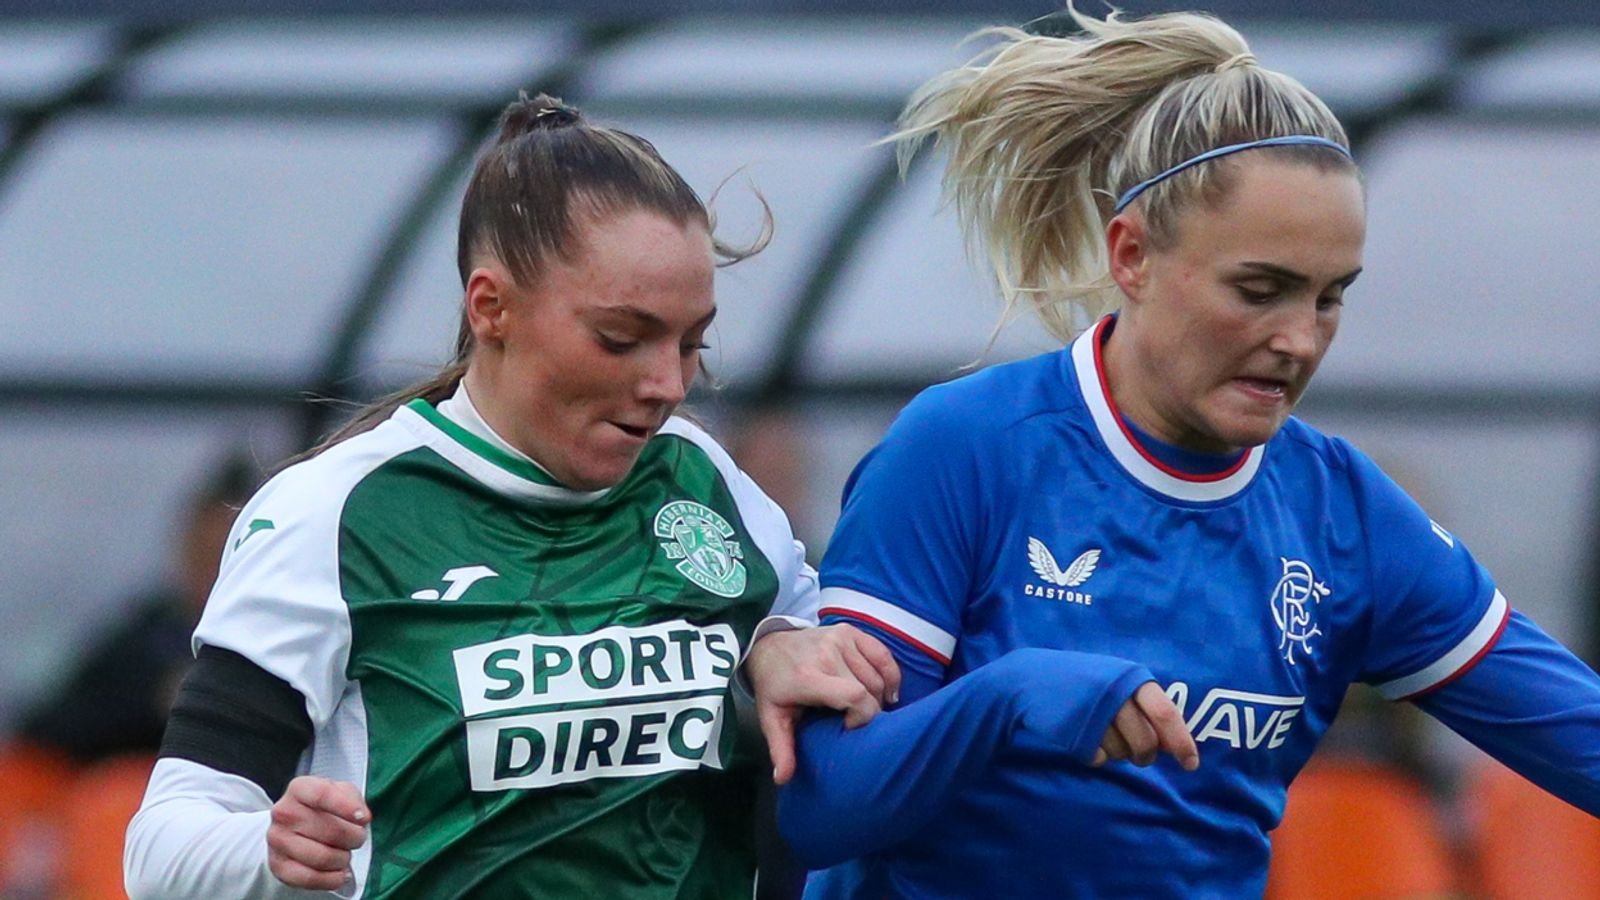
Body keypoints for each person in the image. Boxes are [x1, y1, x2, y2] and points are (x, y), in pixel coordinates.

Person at [776, 7, 1600, 897]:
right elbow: (824, 807)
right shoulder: (966, 448)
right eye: (1260, 289)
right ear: (1131, 255)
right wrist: (1008, 698)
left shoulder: (1346, 515)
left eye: (1330, 298)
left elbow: (1578, 732)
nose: (1298, 340)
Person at [124, 93, 896, 899]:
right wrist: (269, 852)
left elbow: (825, 691)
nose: (668, 383)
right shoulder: (336, 514)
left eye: (692, 342)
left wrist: (776, 647)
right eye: (620, 339)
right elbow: (162, 851)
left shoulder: (705, 487)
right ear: (490, 306)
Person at [17, 452, 257, 764]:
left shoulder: (284, 640)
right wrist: (155, 699)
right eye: (201, 554)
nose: (209, 573)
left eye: (221, 556)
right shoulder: (141, 641)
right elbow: (46, 728)